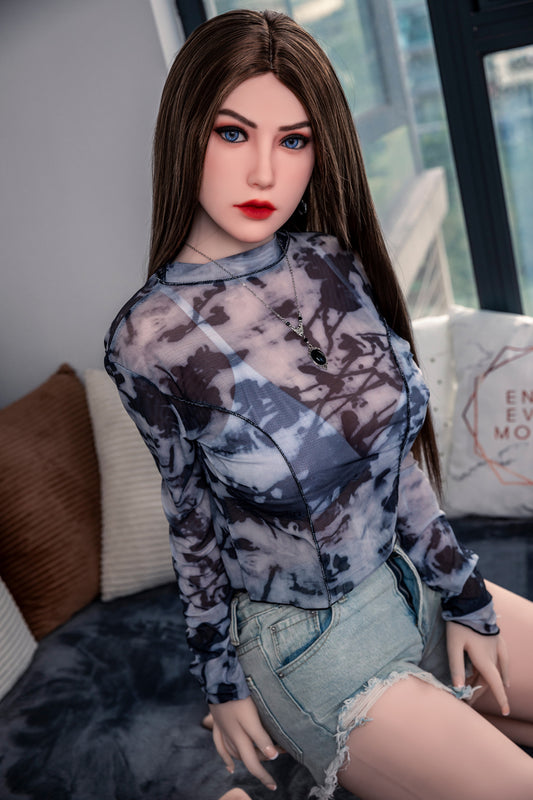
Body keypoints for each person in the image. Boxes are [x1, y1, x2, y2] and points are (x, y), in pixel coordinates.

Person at [105, 9, 533, 799]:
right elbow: (190, 520)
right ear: (185, 132)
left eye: (293, 140)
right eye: (233, 133)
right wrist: (222, 685)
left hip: (410, 585)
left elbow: (395, 463)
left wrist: (465, 595)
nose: (263, 173)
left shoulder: (331, 261)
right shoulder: (150, 338)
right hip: (306, 647)